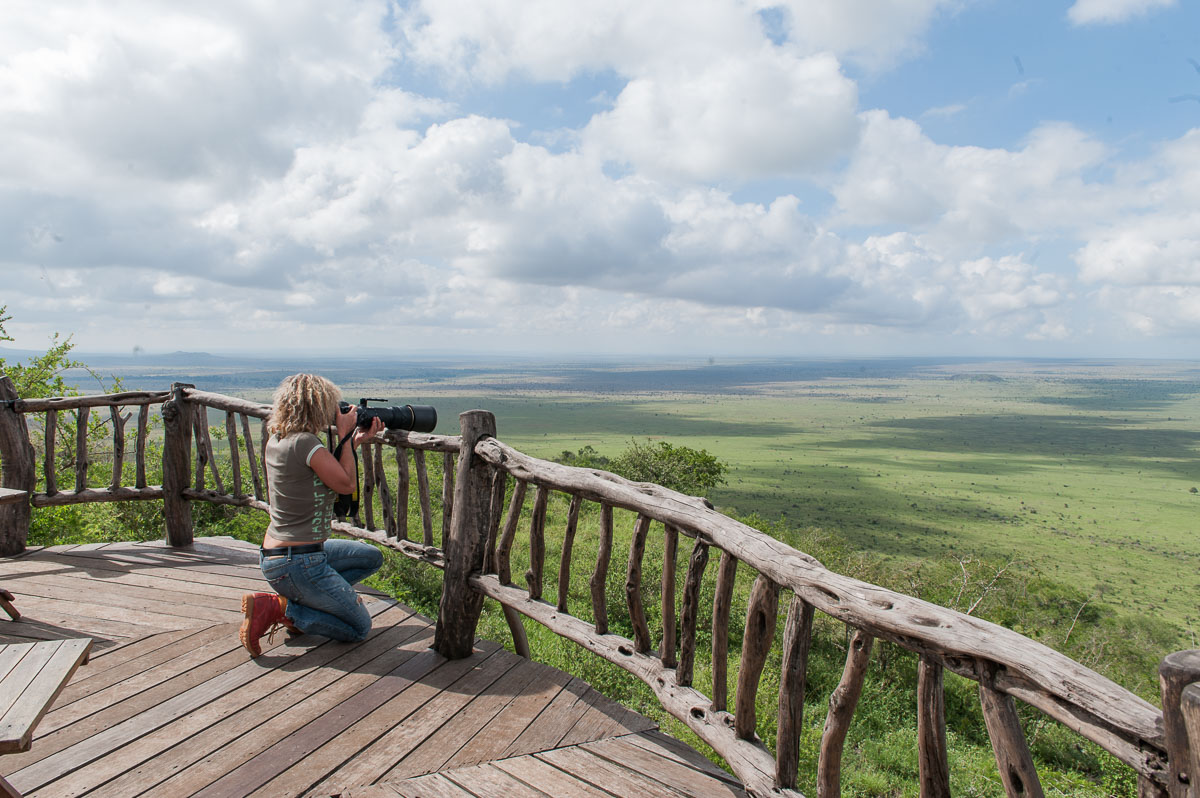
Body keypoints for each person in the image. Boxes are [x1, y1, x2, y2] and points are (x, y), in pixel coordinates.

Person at [239, 373, 386, 657]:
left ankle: (310, 602)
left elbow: (324, 471)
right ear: (315, 406)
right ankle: (283, 609)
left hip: (286, 555)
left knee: (370, 557)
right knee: (358, 628)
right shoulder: (306, 443)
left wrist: (352, 442)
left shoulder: (281, 438)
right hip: (298, 561)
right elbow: (346, 484)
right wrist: (344, 434)